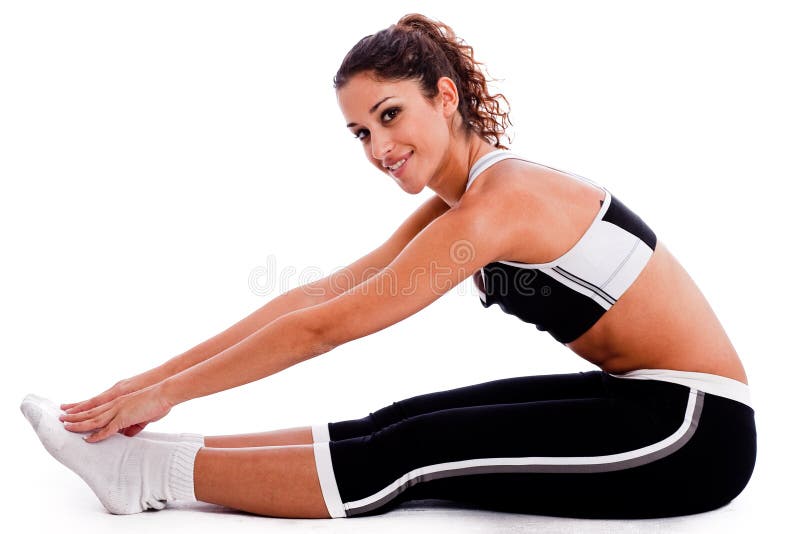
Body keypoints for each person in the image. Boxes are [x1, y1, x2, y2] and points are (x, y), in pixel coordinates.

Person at [20, 13, 756, 520]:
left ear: (445, 96)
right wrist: (147, 387)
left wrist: (172, 390)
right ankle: (146, 461)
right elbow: (322, 294)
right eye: (360, 131)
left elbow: (327, 328)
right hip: (636, 399)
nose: (377, 148)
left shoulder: (500, 204)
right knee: (397, 421)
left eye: (391, 115)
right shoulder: (471, 195)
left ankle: (147, 479)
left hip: (692, 430)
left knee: (410, 452)